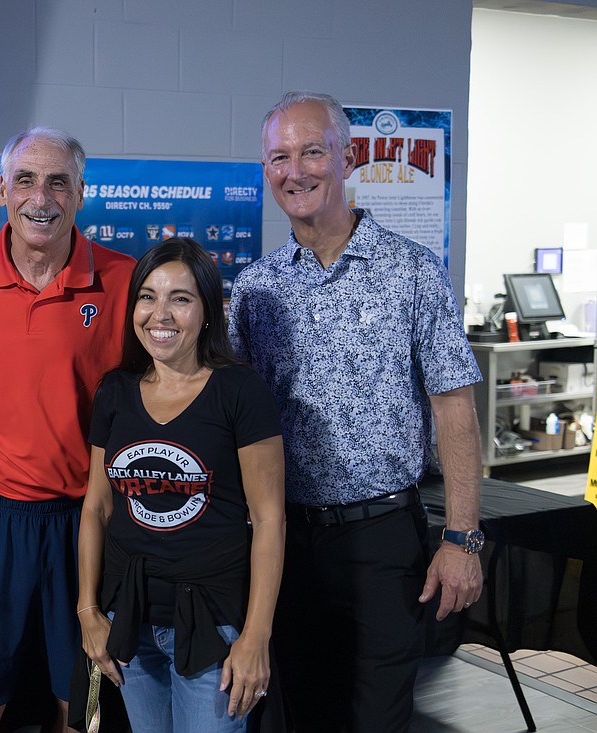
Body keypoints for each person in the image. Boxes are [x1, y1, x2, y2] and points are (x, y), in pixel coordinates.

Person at [227, 91, 484, 733]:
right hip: (285, 539)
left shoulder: (414, 273)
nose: (297, 171)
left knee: (377, 718)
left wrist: (462, 538)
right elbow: (230, 420)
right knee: (304, 714)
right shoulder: (256, 289)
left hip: (381, 540)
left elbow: (455, 409)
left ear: (349, 155)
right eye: (280, 157)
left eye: (313, 151)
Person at [0, 127, 135, 733]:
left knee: (83, 708)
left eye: (58, 182)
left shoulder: (125, 280)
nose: (40, 196)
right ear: (3, 189)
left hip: (89, 518)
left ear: (81, 193)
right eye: (24, 179)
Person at [77, 238, 285, 733]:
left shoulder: (240, 391)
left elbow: (270, 520)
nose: (159, 314)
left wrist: (256, 635)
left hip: (213, 621)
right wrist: (88, 610)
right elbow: (96, 509)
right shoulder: (115, 391)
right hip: (131, 618)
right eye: (147, 296)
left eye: (181, 298)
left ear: (209, 311)